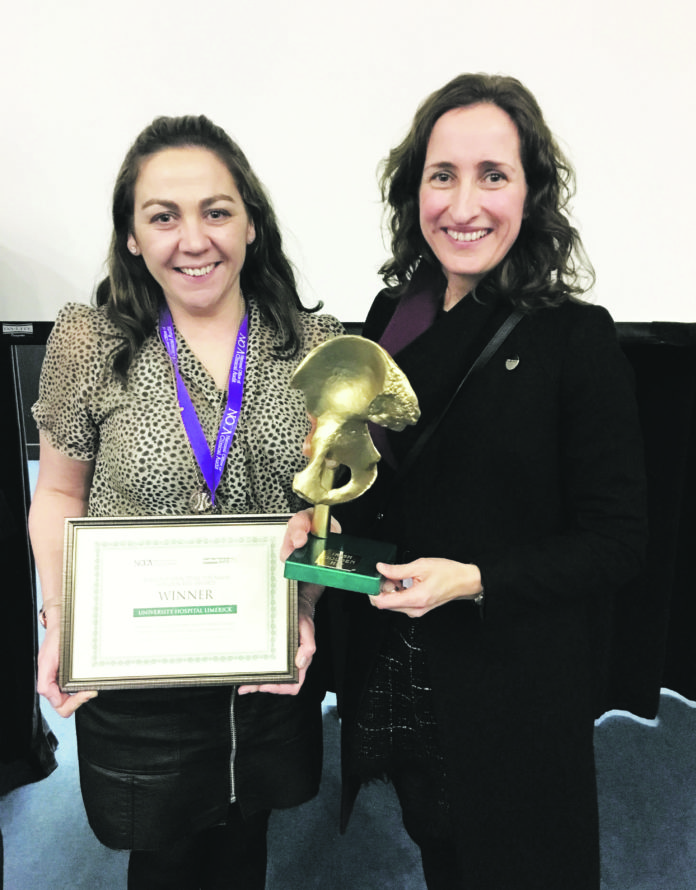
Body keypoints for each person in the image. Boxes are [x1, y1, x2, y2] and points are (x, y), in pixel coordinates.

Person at [283, 74, 647, 889]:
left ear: (533, 193)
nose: (463, 203)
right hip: (394, 670)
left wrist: (478, 579)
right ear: (414, 189)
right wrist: (323, 531)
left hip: (507, 690)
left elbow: (617, 541)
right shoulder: (392, 314)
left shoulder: (575, 342)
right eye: (441, 175)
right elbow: (380, 485)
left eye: (494, 174)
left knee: (518, 862)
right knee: (438, 848)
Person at [29, 114, 342, 890]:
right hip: (138, 679)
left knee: (245, 842)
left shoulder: (314, 346)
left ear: (252, 225)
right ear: (132, 237)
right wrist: (61, 618)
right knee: (163, 856)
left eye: (216, 211)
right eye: (163, 216)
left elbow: (328, 510)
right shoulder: (89, 342)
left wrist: (305, 613)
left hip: (266, 665)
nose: (192, 239)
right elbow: (59, 493)